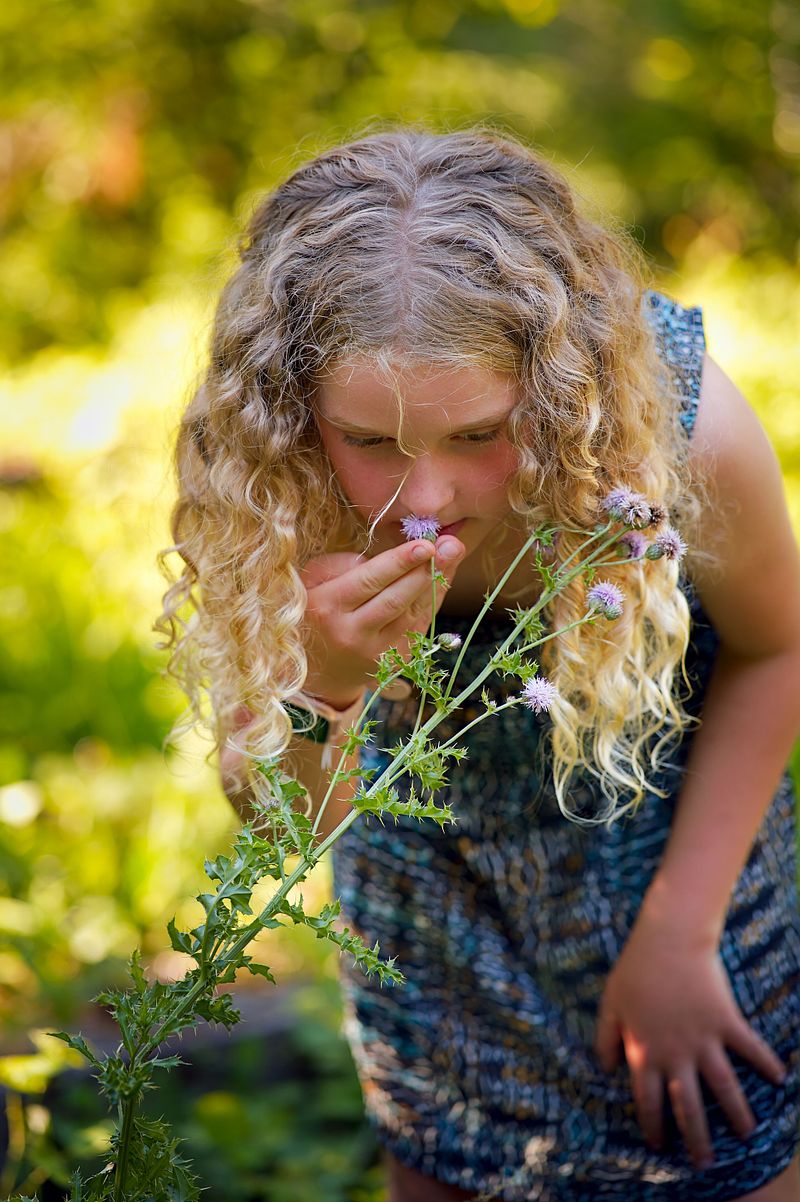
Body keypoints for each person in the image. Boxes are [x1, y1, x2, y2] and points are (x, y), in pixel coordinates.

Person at [157, 127, 800, 1200]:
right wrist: (320, 681)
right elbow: (286, 825)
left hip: (676, 863)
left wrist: (680, 933)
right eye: (370, 439)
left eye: (477, 435)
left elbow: (777, 648)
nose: (422, 498)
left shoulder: (673, 437)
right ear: (297, 402)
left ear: (554, 391)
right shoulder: (273, 475)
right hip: (427, 918)